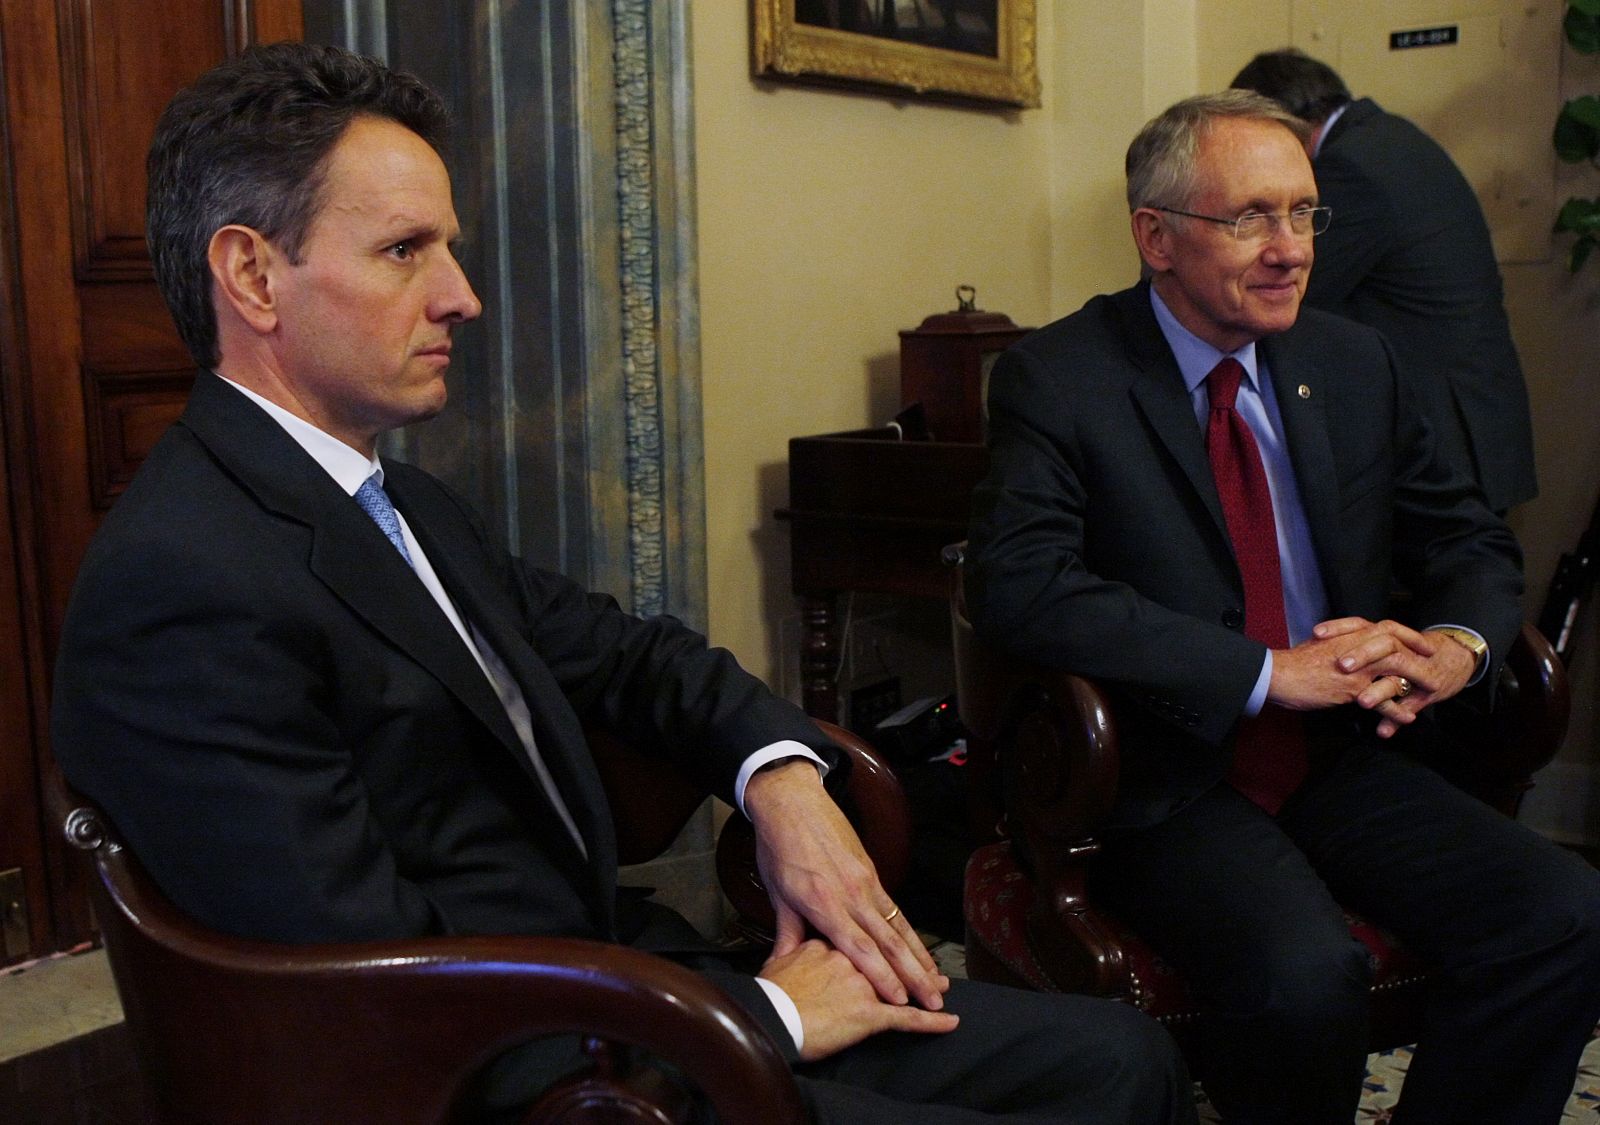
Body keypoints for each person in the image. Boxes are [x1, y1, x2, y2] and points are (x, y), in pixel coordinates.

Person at [49, 42, 1196, 1125]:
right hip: (539, 1074)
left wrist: (780, 778)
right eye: (405, 251)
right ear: (253, 274)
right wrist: (771, 1015)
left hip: (618, 985)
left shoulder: (401, 506)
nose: (462, 296)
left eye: (449, 248)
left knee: (1121, 1057)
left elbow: (635, 658)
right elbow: (362, 994)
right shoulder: (183, 583)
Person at [964, 89, 1600, 1124]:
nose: (1291, 249)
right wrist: (1263, 672)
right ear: (1156, 238)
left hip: (1343, 751)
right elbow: (1018, 584)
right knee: (1304, 975)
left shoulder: (1351, 361)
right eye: (1251, 217)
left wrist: (1456, 644)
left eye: (1304, 213)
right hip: (1167, 769)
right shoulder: (1061, 376)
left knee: (1565, 912)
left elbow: (1466, 538)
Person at [1232, 48, 1537, 514]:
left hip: (1440, 432)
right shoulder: (1390, 139)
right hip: (1472, 414)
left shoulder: (1350, 168)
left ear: (1283, 125)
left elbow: (1285, 293)